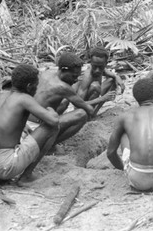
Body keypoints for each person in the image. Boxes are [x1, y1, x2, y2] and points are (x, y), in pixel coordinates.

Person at [19, 52, 114, 182]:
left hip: (24, 124)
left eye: (78, 76)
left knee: (63, 102)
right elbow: (88, 109)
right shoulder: (63, 87)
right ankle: (50, 145)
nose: (76, 80)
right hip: (38, 128)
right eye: (74, 76)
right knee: (81, 115)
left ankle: (48, 141)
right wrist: (103, 99)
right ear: (64, 70)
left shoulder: (44, 73)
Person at [0, 64, 61, 182]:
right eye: (36, 86)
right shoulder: (24, 98)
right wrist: (50, 110)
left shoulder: (2, 96)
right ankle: (26, 176)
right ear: (29, 86)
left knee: (25, 129)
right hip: (4, 166)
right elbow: (54, 121)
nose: (37, 89)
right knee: (52, 127)